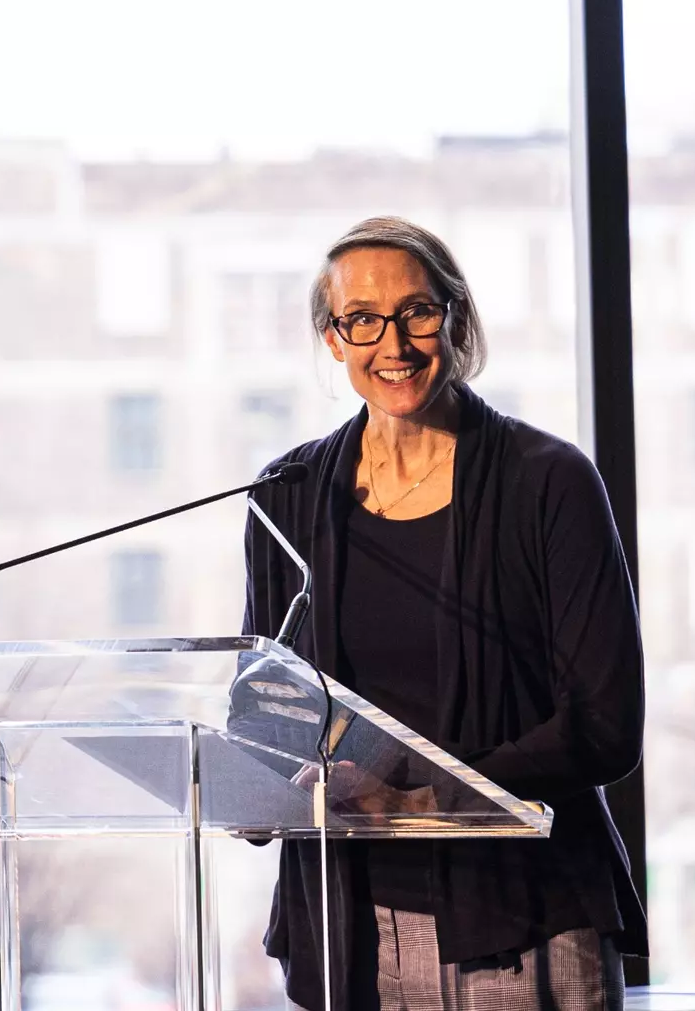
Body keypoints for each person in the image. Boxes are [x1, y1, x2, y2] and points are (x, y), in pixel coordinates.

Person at [241, 216, 647, 1011]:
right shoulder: (287, 494)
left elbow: (604, 727)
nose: (393, 344)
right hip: (343, 924)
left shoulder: (549, 482)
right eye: (363, 319)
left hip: (522, 916)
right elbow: (271, 702)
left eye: (417, 312)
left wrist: (419, 793)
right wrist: (254, 780)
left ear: (456, 318)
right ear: (333, 339)